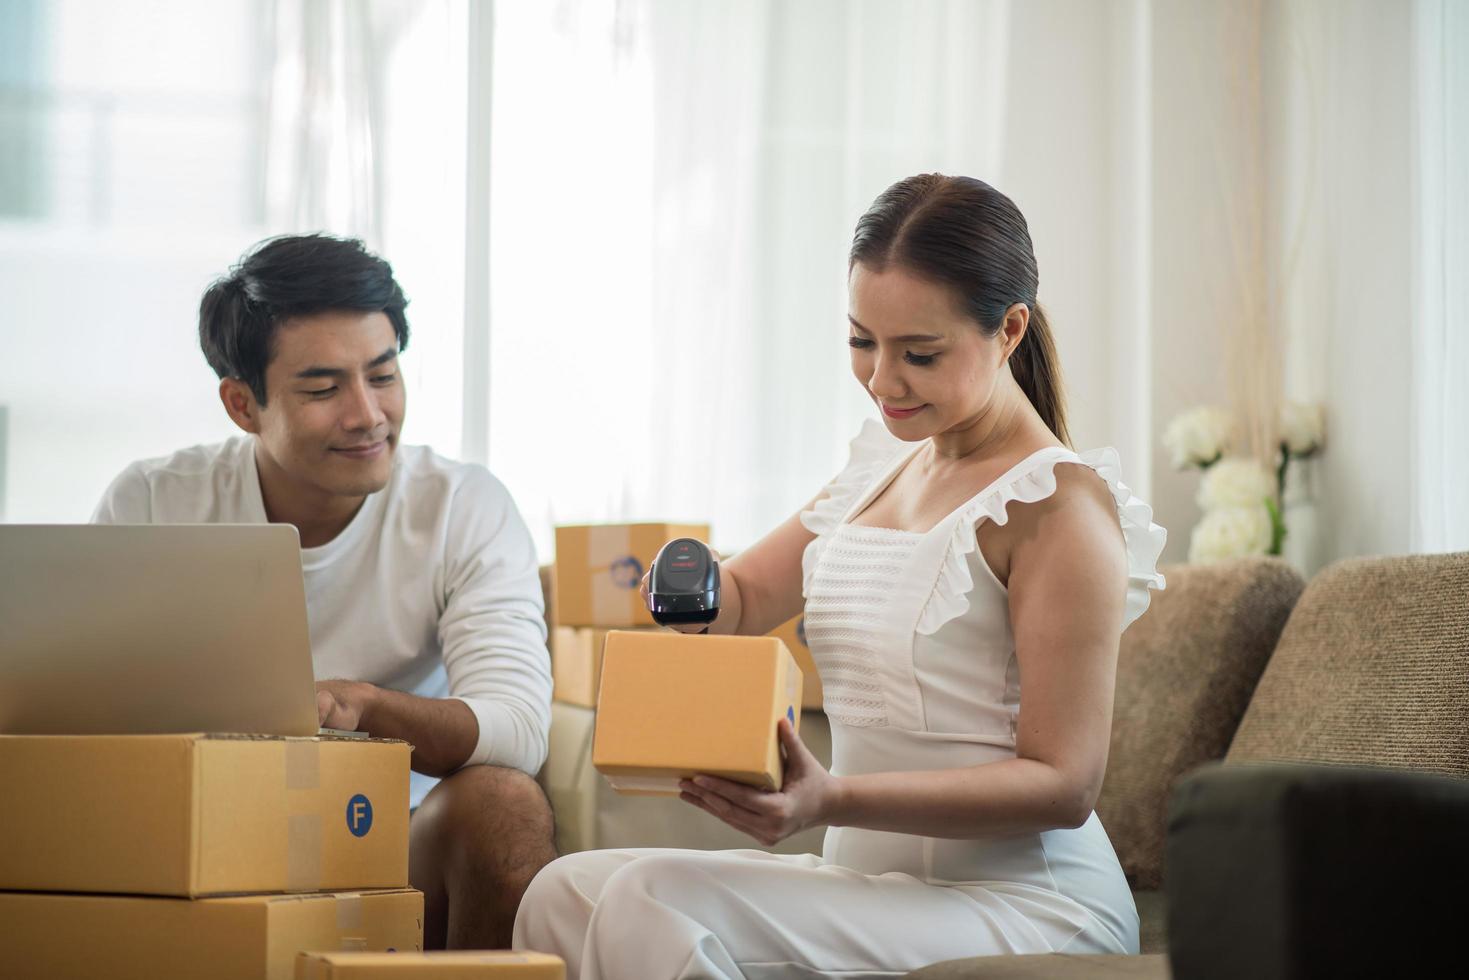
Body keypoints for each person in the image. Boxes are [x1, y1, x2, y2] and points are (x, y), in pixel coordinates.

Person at [512, 174, 1167, 978]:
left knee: (648, 896)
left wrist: (830, 800)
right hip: (871, 881)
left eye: (919, 353)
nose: (883, 380)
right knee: (561, 892)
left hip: (1022, 903)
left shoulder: (1057, 509)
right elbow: (746, 598)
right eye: (862, 341)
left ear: (1009, 330)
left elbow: (1063, 785)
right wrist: (694, 587)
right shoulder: (880, 468)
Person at [92, 234, 557, 949]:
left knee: (504, 800)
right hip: (203, 829)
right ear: (242, 404)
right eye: (322, 388)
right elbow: (86, 719)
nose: (368, 414)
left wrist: (362, 708)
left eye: (383, 374)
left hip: (392, 840)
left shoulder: (462, 506)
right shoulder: (155, 502)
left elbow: (517, 729)